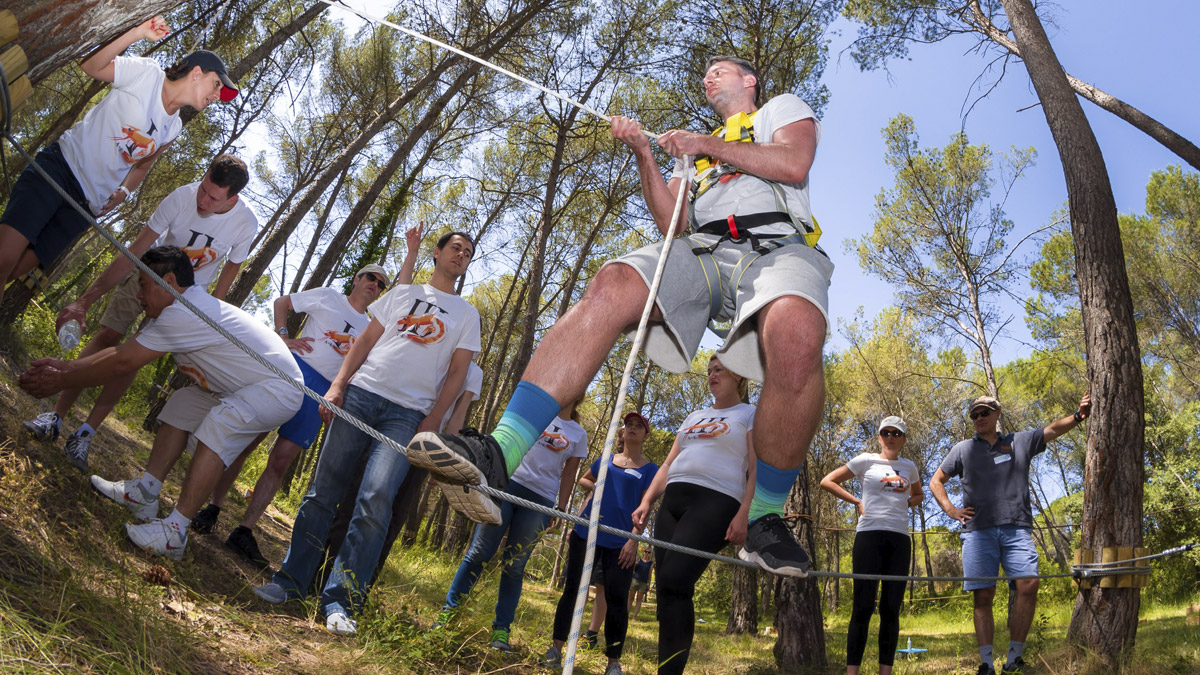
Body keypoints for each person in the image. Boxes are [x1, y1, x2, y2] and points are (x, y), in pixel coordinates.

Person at [406, 55, 828, 577]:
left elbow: (793, 164)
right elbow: (670, 221)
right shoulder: (694, 158)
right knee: (612, 283)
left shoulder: (776, 112)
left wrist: (704, 144)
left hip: (776, 249)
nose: (708, 76)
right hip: (702, 251)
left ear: (750, 81)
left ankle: (764, 518)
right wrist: (646, 153)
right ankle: (501, 453)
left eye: (720, 70)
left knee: (798, 331)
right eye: (706, 73)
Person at [252, 232, 480, 638]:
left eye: (468, 253)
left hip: (408, 416)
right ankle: (289, 582)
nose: (461, 255)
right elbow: (365, 340)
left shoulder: (466, 314)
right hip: (360, 396)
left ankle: (341, 603)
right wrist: (338, 384)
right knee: (323, 492)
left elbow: (459, 372)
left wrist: (434, 418)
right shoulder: (402, 293)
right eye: (455, 248)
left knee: (375, 502)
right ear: (437, 252)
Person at [18, 246, 302, 560]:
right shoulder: (176, 309)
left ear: (166, 280)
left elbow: (122, 365)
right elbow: (121, 353)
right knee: (181, 404)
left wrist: (59, 382)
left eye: (142, 284)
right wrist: (65, 367)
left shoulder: (185, 312)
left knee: (221, 423)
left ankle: (175, 533)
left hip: (279, 389)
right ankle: (145, 493)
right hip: (245, 387)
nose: (139, 294)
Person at [22, 154, 257, 470]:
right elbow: (135, 248)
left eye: (213, 198)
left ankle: (85, 433)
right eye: (203, 188)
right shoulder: (181, 197)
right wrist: (86, 300)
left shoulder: (246, 222)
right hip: (147, 273)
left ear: (233, 197)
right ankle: (56, 416)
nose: (203, 200)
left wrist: (208, 319)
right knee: (108, 335)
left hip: (183, 300)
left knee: (131, 359)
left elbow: (228, 274)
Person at [0, 16, 238, 306]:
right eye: (216, 85)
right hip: (60, 168)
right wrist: (138, 32)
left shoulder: (174, 126)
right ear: (197, 72)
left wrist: (123, 192)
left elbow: (143, 164)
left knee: (15, 269)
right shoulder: (148, 75)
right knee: (3, 260)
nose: (217, 95)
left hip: (86, 205)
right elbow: (92, 66)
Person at [186, 263, 389, 568]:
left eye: (382, 284)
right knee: (247, 440)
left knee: (281, 461)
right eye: (371, 277)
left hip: (321, 392)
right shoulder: (328, 296)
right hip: (290, 371)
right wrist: (283, 336)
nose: (375, 284)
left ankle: (244, 530)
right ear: (358, 279)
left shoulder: (370, 326)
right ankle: (212, 507)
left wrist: (340, 392)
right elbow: (283, 302)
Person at [930, 394, 1091, 675]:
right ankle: (986, 664)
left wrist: (1078, 416)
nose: (979, 418)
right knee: (983, 595)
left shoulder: (1019, 441)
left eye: (984, 413)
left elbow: (1051, 429)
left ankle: (1014, 659)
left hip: (1017, 528)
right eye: (975, 415)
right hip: (977, 532)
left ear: (996, 414)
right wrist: (951, 510)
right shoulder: (962, 450)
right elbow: (936, 481)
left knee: (1028, 585)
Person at [631, 356, 756, 674]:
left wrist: (744, 513)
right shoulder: (694, 416)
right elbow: (669, 463)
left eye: (720, 370)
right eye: (710, 370)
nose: (712, 375)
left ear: (739, 375)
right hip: (672, 502)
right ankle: (667, 670)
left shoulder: (750, 414)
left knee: (675, 579)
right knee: (668, 591)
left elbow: (757, 470)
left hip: (716, 502)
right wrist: (647, 501)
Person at [437, 397, 588, 652]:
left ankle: (501, 631)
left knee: (515, 565)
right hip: (507, 482)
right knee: (479, 553)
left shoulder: (578, 433)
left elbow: (570, 474)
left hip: (540, 499)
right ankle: (447, 616)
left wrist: (561, 508)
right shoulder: (536, 409)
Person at [539, 412, 658, 675]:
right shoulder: (606, 460)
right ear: (622, 432)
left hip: (621, 543)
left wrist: (633, 541)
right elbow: (586, 479)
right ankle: (556, 649)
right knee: (572, 590)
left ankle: (613, 662)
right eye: (629, 425)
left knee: (617, 599)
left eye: (639, 426)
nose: (633, 429)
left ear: (646, 436)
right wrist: (583, 511)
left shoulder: (651, 470)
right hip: (586, 533)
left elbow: (645, 509)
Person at [819, 416, 922, 675]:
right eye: (885, 432)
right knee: (863, 606)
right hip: (868, 537)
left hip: (899, 539)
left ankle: (884, 672)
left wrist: (907, 504)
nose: (890, 437)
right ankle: (852, 672)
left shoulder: (909, 466)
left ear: (903, 439)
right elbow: (828, 481)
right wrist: (856, 501)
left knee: (891, 608)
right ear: (879, 437)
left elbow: (918, 494)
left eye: (896, 433)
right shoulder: (865, 460)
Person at [628, 547, 653, 620]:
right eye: (646, 551)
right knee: (630, 598)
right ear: (643, 552)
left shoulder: (651, 563)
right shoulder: (638, 560)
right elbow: (633, 569)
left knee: (639, 600)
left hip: (643, 582)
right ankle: (626, 614)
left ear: (650, 554)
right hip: (635, 580)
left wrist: (649, 584)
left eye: (649, 552)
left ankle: (634, 617)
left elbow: (650, 574)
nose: (647, 553)